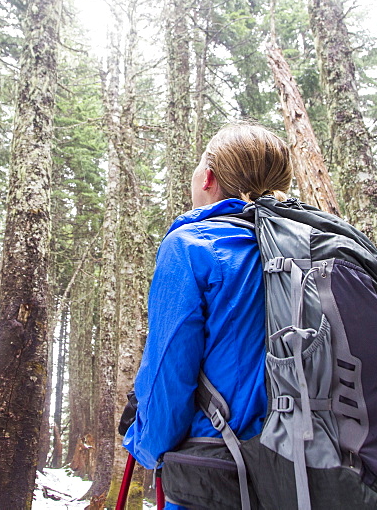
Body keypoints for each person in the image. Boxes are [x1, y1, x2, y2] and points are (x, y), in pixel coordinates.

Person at [122, 122, 293, 508]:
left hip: (219, 472)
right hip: (312, 472)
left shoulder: (193, 246)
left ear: (209, 177)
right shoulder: (306, 251)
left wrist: (145, 443)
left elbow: (170, 369)